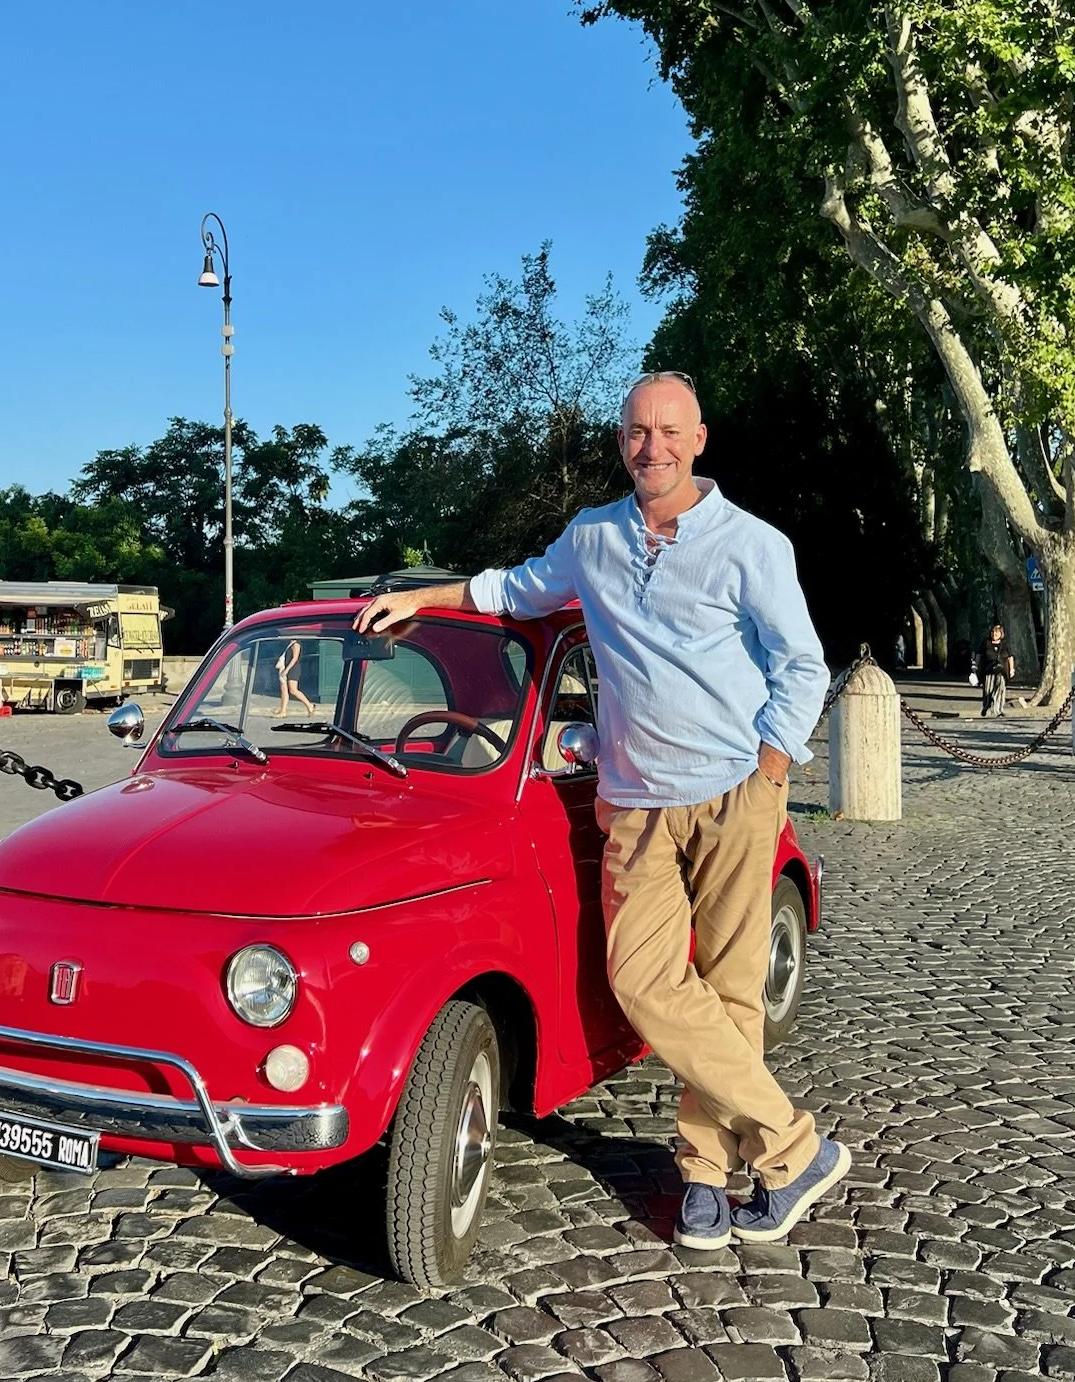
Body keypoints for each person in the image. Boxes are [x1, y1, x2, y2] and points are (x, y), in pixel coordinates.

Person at [357, 371, 848, 1250]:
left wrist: (773, 768)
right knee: (647, 982)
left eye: (668, 431)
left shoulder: (751, 544)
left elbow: (803, 666)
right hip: (633, 803)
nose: (650, 447)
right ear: (620, 441)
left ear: (700, 439)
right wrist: (424, 600)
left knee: (731, 992)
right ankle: (793, 1146)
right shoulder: (593, 538)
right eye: (635, 432)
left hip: (734, 791)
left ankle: (704, 1177)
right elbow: (511, 592)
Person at [977, 622, 1013, 718]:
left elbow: (1010, 657)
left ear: (1001, 634)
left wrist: (1011, 669)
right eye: (993, 632)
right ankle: (986, 706)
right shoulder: (986, 643)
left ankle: (998, 710)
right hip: (988, 671)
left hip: (1001, 670)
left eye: (997, 632)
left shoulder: (1004, 644)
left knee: (1000, 689)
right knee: (987, 690)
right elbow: (979, 656)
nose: (994, 634)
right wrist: (976, 668)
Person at [274, 638, 316, 717]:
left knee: (293, 690)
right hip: (285, 667)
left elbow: (295, 658)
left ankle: (309, 705)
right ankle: (283, 711)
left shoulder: (296, 644)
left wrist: (287, 670)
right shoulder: (289, 643)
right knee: (284, 689)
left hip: (293, 669)